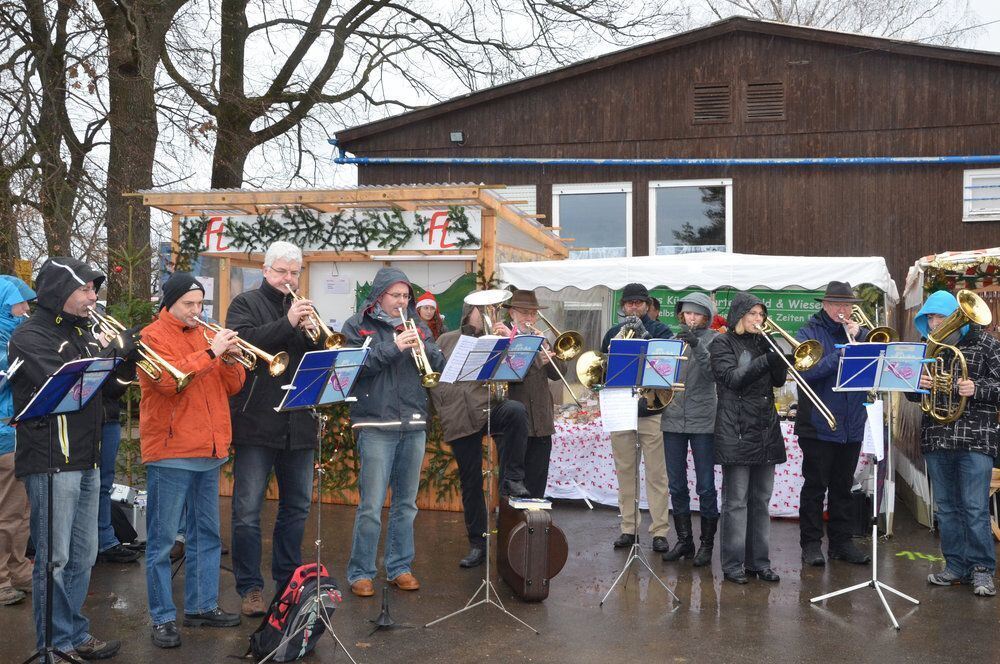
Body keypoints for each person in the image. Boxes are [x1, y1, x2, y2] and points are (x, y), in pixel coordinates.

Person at [9, 257, 132, 660]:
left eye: (94, 290)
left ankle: (73, 633)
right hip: (50, 459)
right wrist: (103, 354)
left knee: (84, 556)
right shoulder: (29, 335)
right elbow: (62, 382)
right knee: (54, 559)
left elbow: (106, 393)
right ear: (61, 292)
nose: (93, 297)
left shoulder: (84, 332)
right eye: (86, 290)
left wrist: (124, 362)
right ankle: (52, 645)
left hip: (86, 456)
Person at [139, 273, 245, 648]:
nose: (197, 312)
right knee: (163, 540)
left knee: (207, 535)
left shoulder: (205, 334)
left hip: (210, 449)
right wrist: (213, 352)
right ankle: (163, 617)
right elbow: (170, 381)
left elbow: (233, 386)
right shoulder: (151, 336)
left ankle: (201, 606)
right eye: (189, 305)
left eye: (201, 305)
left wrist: (230, 359)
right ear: (170, 303)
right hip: (171, 452)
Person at [225, 241, 321, 617]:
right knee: (247, 510)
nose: (288, 279)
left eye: (294, 273)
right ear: (266, 271)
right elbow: (244, 344)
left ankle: (288, 579)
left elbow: (315, 358)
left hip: (298, 421)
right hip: (256, 422)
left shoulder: (302, 309)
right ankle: (249, 588)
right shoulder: (245, 304)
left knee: (296, 507)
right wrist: (290, 322)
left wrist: (312, 333)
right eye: (282, 271)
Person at [343, 268, 445, 598]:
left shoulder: (417, 323)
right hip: (375, 423)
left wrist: (422, 345)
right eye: (395, 296)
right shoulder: (357, 325)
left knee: (406, 504)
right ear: (379, 295)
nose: (401, 302)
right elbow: (354, 368)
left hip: (413, 421)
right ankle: (361, 571)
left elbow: (437, 362)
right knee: (371, 505)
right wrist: (395, 346)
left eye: (405, 297)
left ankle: (399, 566)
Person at [907, 290, 1000, 597]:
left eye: (939, 317)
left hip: (975, 438)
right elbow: (909, 392)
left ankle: (982, 570)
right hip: (937, 437)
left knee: (974, 508)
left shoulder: (987, 344)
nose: (934, 323)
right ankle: (956, 567)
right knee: (946, 509)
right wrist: (918, 385)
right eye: (930, 318)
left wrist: (978, 387)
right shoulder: (927, 348)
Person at [430, 296, 531, 568]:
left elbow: (514, 375)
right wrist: (446, 405)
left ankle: (512, 479)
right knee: (471, 481)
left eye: (493, 309)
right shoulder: (446, 340)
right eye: (483, 309)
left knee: (515, 412)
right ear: (468, 312)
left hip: (487, 407)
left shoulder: (497, 337)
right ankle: (478, 543)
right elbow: (435, 380)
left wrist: (508, 346)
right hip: (459, 415)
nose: (489, 314)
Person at [710, 292, 787, 584]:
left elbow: (778, 380)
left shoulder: (763, 342)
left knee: (761, 500)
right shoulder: (722, 343)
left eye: (761, 315)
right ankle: (732, 565)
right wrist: (767, 359)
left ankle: (759, 563)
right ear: (739, 315)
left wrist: (779, 358)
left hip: (765, 429)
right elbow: (733, 379)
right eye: (752, 314)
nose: (758, 320)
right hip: (737, 431)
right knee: (736, 502)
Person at [796, 282, 872, 567]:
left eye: (848, 305)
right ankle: (811, 544)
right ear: (825, 305)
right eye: (838, 305)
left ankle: (841, 543)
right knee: (815, 486)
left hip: (851, 423)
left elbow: (873, 367)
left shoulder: (859, 332)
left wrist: (861, 339)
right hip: (818, 422)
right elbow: (807, 372)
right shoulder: (808, 332)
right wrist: (840, 354)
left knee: (843, 486)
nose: (844, 310)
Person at [599, 283, 673, 552]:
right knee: (626, 471)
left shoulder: (660, 331)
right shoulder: (611, 334)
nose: (634, 307)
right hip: (620, 408)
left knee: (656, 473)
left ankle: (660, 531)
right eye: (629, 303)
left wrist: (644, 337)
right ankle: (628, 529)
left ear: (647, 305)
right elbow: (602, 372)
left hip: (651, 409)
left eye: (639, 303)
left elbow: (667, 367)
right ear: (623, 306)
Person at [660, 292, 720, 567]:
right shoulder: (674, 342)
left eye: (696, 314)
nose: (691, 318)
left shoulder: (716, 340)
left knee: (706, 485)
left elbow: (713, 374)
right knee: (676, 484)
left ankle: (707, 545)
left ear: (706, 317)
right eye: (687, 313)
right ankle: (685, 540)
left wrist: (697, 345)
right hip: (672, 419)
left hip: (703, 420)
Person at [500, 290, 566, 499]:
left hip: (542, 421)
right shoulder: (503, 338)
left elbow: (559, 375)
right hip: (516, 422)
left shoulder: (539, 338)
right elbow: (510, 375)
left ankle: (534, 530)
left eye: (533, 313)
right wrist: (537, 361)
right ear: (512, 313)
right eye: (524, 313)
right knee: (513, 489)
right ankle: (513, 530)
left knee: (537, 487)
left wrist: (547, 349)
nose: (530, 318)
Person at [95, 304, 141, 565]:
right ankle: (90, 543)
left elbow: (114, 389)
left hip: (109, 417)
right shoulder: (79, 339)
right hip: (86, 422)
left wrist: (126, 361)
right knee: (87, 485)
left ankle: (106, 540)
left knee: (104, 484)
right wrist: (106, 352)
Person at [0, 276, 34, 607]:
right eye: (19, 303)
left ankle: (19, 568)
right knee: (7, 512)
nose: (25, 310)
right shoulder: (5, 343)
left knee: (23, 509)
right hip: (3, 435)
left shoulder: (13, 337)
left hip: (19, 433)